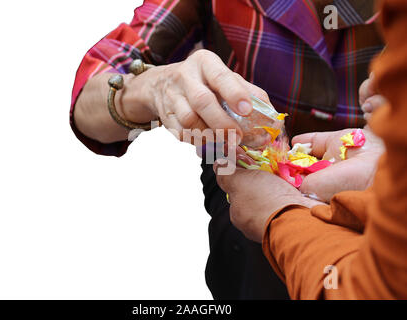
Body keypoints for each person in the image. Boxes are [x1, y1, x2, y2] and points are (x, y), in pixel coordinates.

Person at [70, 0, 384, 299]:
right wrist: (153, 87)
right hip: (242, 175)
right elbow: (94, 92)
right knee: (250, 261)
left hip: (389, 174)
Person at [215, 0, 407, 298]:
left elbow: (371, 289)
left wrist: (281, 215)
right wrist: (150, 87)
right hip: (250, 183)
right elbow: (122, 61)